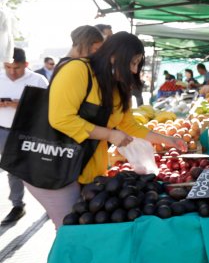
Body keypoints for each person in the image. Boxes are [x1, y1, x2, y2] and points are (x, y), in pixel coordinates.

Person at [23, 32, 187, 230]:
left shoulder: (118, 86)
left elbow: (128, 124)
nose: (135, 71)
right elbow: (60, 118)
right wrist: (109, 134)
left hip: (88, 169)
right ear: (114, 56)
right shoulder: (77, 70)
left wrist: (167, 140)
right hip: (53, 165)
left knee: (88, 229)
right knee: (72, 230)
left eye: (138, 65)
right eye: (132, 63)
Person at [0, 48, 49, 225]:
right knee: (12, 169)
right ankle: (17, 205)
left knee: (38, 168)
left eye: (17, 68)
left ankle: (50, 204)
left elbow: (49, 107)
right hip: (3, 131)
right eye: (8, 67)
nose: (12, 72)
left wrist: (21, 105)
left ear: (26, 65)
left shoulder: (38, 80)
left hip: (30, 132)